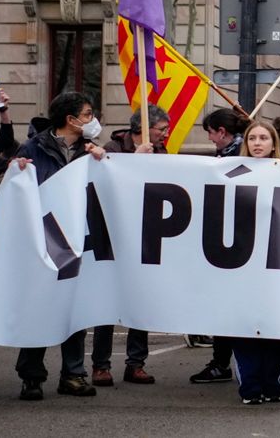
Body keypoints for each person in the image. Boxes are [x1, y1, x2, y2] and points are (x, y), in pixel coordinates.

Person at [10, 91, 108, 400]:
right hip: (44, 237)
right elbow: (17, 189)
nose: (93, 120)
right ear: (71, 120)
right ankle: (31, 376)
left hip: (78, 238)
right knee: (39, 305)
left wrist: (102, 161)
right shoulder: (33, 148)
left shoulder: (90, 150)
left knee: (74, 308)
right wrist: (17, 169)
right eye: (89, 114)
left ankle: (73, 375)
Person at [90, 108, 169, 387]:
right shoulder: (111, 148)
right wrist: (135, 162)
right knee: (107, 303)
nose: (165, 133)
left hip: (146, 235)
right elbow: (104, 183)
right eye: (161, 128)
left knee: (141, 300)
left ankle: (136, 363)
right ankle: (100, 365)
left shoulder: (161, 154)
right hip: (112, 234)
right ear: (142, 128)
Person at [229, 120, 280, 404]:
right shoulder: (230, 172)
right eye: (252, 138)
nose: (257, 143)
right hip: (241, 264)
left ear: (273, 143)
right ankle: (250, 387)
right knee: (244, 325)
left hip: (278, 263)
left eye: (263, 138)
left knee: (275, 324)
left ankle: (272, 385)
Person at [189, 107, 253, 386]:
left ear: (222, 132)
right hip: (234, 241)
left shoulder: (237, 159)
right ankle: (232, 362)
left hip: (236, 243)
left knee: (228, 307)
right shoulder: (230, 158)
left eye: (211, 134)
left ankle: (223, 363)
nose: (211, 140)